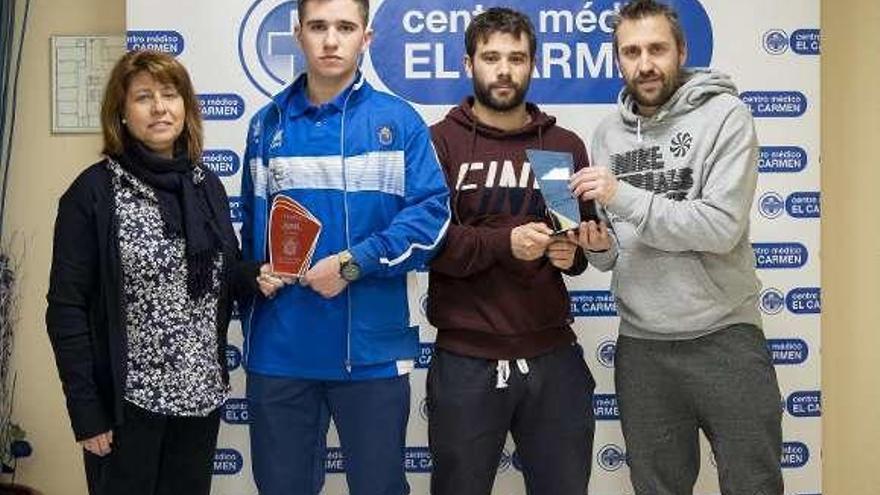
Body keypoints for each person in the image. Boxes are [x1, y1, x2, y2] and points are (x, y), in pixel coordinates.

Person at [569, 1, 784, 493]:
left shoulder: (726, 115)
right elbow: (616, 250)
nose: (644, 63)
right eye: (631, 51)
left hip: (725, 337)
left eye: (657, 49)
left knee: (755, 484)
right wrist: (598, 249)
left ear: (681, 51)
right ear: (618, 60)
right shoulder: (606, 135)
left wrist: (623, 195)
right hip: (642, 348)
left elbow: (720, 227)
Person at [238, 0, 451, 493]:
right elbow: (251, 234)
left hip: (370, 352)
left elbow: (431, 220)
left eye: (344, 27)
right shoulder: (265, 125)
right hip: (280, 351)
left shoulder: (399, 121)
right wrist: (256, 273)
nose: (331, 40)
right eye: (318, 27)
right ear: (298, 34)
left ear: (367, 37)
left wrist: (354, 264)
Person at [45, 50, 263, 495]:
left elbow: (222, 276)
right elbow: (66, 309)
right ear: (121, 113)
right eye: (144, 97)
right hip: (127, 408)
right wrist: (87, 413)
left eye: (170, 94)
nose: (160, 107)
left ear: (186, 106)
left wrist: (259, 274)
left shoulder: (206, 185)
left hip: (200, 398)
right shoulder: (94, 192)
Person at [425, 7, 610, 495]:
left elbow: (574, 238)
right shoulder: (438, 143)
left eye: (516, 58)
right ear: (468, 65)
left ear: (533, 65)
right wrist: (504, 243)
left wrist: (574, 255)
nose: (504, 70)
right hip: (466, 358)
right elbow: (431, 244)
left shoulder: (562, 144)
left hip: (553, 358)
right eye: (491, 57)